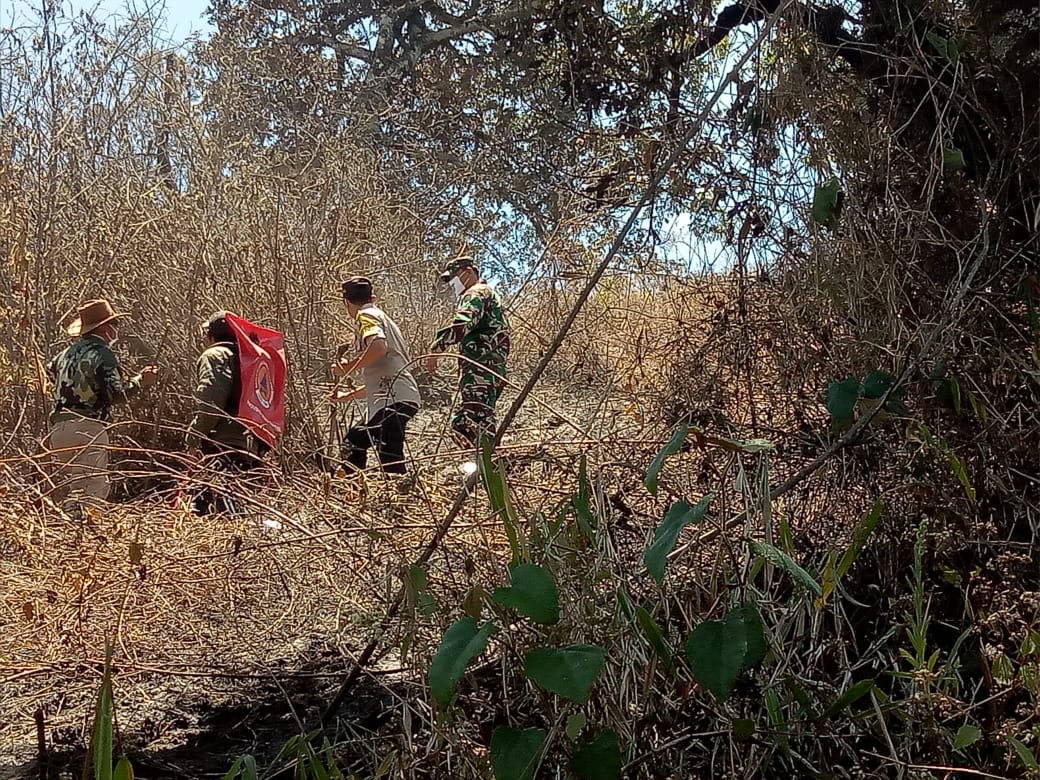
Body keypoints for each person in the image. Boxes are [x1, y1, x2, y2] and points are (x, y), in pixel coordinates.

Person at [46, 298, 158, 506]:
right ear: (106, 327)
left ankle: (71, 531)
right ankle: (81, 535)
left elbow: (51, 372)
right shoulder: (101, 353)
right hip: (87, 429)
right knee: (92, 490)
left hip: (59, 431)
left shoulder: (63, 355)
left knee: (76, 488)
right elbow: (116, 393)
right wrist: (140, 381)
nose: (116, 330)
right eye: (114, 325)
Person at [331, 277, 421, 475]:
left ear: (347, 302)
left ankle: (395, 499)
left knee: (387, 454)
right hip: (399, 394)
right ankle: (355, 486)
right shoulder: (384, 319)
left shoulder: (366, 316)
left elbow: (378, 347)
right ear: (373, 297)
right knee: (356, 439)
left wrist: (349, 368)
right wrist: (348, 396)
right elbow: (384, 374)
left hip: (393, 399)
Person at [186, 311, 267, 514]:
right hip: (251, 443)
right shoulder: (253, 358)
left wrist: (194, 437)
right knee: (231, 505)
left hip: (221, 445)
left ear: (211, 336)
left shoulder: (215, 355)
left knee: (220, 512)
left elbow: (210, 402)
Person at [426, 256, 510, 448]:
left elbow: (463, 324)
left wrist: (437, 347)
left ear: (469, 272)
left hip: (480, 370)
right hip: (490, 370)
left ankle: (488, 468)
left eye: (455, 276)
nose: (452, 283)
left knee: (478, 424)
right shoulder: (490, 294)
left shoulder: (475, 294)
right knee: (462, 423)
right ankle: (480, 464)